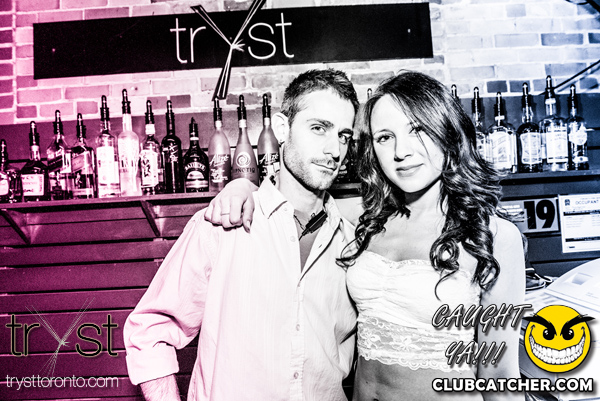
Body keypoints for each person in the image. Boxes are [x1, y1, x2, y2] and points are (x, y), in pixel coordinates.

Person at [208, 71, 526, 400]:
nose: (401, 151)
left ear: (447, 132)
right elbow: (290, 198)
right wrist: (241, 186)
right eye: (385, 137)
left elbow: (500, 376)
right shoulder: (366, 219)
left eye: (417, 130)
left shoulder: (494, 237)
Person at [123, 69, 360, 401]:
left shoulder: (352, 246)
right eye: (319, 128)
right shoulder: (223, 225)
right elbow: (149, 330)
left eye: (344, 136)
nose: (334, 149)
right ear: (282, 128)